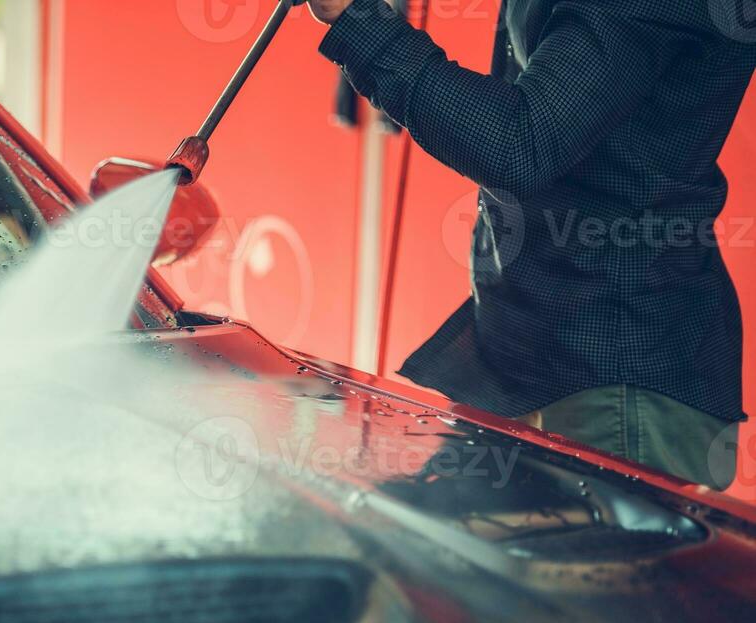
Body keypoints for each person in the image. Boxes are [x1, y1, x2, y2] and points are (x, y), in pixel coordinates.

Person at [302, 0, 756, 489]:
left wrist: (360, 20)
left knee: (596, 567)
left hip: (615, 377)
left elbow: (521, 144)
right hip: (522, 349)